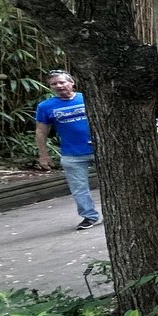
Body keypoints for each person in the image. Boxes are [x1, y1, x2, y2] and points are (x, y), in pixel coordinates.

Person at [34, 70, 102, 230]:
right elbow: (41, 132)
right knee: (79, 189)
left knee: (112, 184)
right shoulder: (45, 107)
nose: (59, 86)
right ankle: (90, 217)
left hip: (99, 149)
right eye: (54, 84)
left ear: (71, 82)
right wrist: (43, 156)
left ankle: (115, 212)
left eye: (62, 82)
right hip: (72, 154)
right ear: (50, 87)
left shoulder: (88, 98)